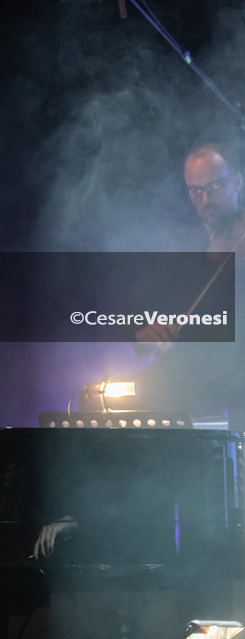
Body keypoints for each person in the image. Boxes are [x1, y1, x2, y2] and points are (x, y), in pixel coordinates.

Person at [132, 142, 244, 429]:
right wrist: (145, 333)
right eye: (196, 191)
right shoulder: (180, 248)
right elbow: (140, 315)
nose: (206, 200)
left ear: (238, 181)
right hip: (194, 399)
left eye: (216, 187)